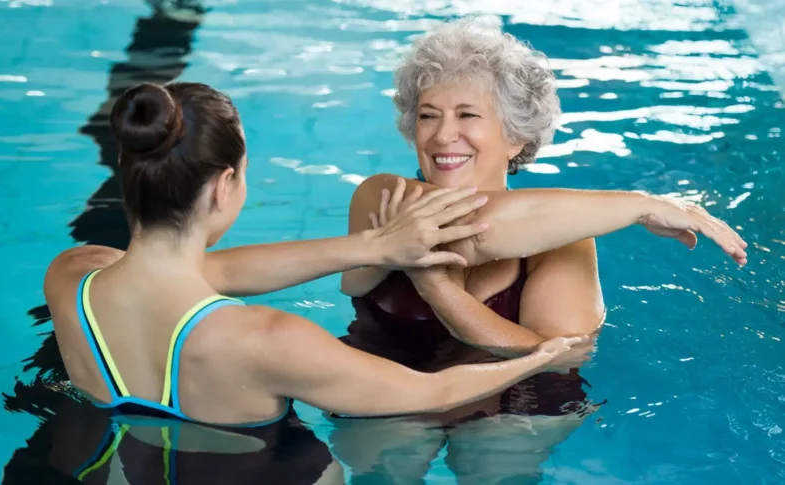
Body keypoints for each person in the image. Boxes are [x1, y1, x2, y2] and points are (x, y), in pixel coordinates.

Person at [42, 81, 587, 483]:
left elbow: (192, 273)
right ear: (225, 185)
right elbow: (433, 392)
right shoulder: (267, 340)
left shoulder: (72, 277)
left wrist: (372, 249)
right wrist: (543, 356)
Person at [334, 18, 748, 483]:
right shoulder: (383, 198)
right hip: (389, 379)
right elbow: (470, 227)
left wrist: (435, 288)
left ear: (516, 137)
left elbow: (561, 355)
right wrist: (641, 206)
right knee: (387, 466)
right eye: (429, 115)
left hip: (518, 397)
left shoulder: (567, 234)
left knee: (495, 462)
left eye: (467, 115)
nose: (442, 135)